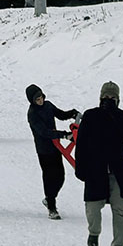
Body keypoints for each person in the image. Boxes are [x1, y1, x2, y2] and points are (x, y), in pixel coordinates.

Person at [76, 81, 123, 246]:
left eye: (112, 98)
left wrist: (113, 114)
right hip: (95, 171)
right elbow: (81, 144)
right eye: (106, 97)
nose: (108, 100)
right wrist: (81, 168)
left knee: (120, 211)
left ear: (118, 100)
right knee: (93, 208)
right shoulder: (90, 116)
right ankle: (94, 232)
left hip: (118, 173)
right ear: (100, 97)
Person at [26, 84, 81, 219]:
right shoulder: (32, 114)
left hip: (55, 147)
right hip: (44, 150)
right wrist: (64, 135)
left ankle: (49, 198)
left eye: (41, 97)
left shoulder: (48, 105)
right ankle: (52, 206)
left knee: (60, 176)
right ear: (32, 101)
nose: (40, 100)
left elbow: (60, 114)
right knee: (49, 177)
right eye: (37, 99)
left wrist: (72, 113)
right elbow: (43, 132)